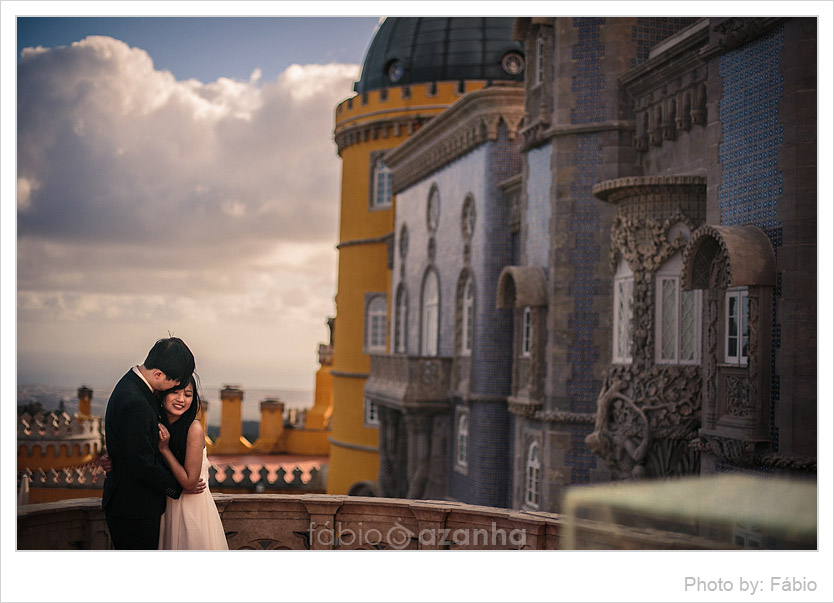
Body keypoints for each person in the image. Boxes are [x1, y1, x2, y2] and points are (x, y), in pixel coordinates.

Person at [101, 337, 203, 550]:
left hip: (136, 505)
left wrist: (115, 456)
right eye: (174, 384)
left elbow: (133, 443)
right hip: (133, 509)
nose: (176, 389)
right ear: (158, 374)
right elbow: (143, 464)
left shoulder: (134, 386)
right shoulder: (136, 401)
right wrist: (180, 487)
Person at [156, 375, 228, 550]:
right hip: (167, 506)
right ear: (162, 394)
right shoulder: (158, 424)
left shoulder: (193, 429)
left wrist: (164, 450)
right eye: (175, 392)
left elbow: (190, 482)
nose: (181, 399)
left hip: (191, 509)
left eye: (188, 394)